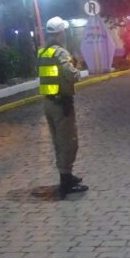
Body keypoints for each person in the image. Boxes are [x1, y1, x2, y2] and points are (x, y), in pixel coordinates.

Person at [37, 16, 89, 199]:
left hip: (49, 103)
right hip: (62, 104)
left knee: (58, 142)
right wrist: (78, 72)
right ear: (60, 33)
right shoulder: (60, 53)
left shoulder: (43, 52)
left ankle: (66, 175)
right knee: (68, 141)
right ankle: (65, 181)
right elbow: (69, 74)